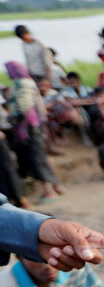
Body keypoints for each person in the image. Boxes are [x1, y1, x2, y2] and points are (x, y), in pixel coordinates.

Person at [5, 61, 63, 202]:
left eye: (9, 70)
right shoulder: (29, 82)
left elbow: (24, 107)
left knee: (36, 157)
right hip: (36, 124)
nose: (7, 73)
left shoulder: (20, 85)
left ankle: (49, 192)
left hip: (28, 127)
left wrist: (17, 122)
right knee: (40, 155)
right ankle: (56, 187)